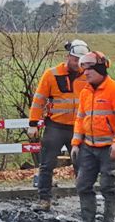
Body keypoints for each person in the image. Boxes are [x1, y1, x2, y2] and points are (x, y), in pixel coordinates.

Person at [71, 49, 115, 222]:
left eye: (90, 69)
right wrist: (75, 142)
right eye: (85, 69)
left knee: (109, 187)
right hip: (88, 147)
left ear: (101, 70)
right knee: (83, 185)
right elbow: (81, 118)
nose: (86, 73)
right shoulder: (85, 92)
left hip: (109, 149)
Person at [27, 39, 89, 209]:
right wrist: (33, 123)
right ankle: (44, 199)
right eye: (75, 59)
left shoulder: (88, 75)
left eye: (81, 61)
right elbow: (39, 100)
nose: (78, 64)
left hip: (78, 128)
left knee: (82, 165)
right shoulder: (51, 74)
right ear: (68, 56)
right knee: (47, 164)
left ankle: (86, 201)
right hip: (55, 126)